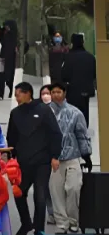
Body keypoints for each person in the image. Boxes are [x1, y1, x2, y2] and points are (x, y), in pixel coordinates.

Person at [8, 81, 63, 235]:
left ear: (28, 93)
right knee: (18, 193)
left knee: (40, 196)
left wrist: (55, 156)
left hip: (42, 162)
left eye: (18, 94)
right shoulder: (15, 113)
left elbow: (55, 134)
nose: (16, 97)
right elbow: (11, 137)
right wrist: (10, 158)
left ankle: (39, 229)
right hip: (23, 162)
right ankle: (26, 223)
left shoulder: (44, 110)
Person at [47, 82, 92, 234]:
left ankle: (74, 221)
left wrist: (87, 155)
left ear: (64, 93)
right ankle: (62, 225)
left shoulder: (75, 113)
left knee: (73, 188)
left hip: (72, 157)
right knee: (56, 192)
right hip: (53, 159)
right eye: (53, 92)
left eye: (59, 92)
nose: (55, 95)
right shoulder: (45, 112)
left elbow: (82, 135)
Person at [60, 33, 96, 124]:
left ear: (72, 43)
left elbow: (64, 75)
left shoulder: (68, 57)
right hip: (86, 91)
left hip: (73, 91)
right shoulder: (90, 57)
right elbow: (94, 74)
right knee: (84, 112)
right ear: (83, 42)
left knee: (73, 114)